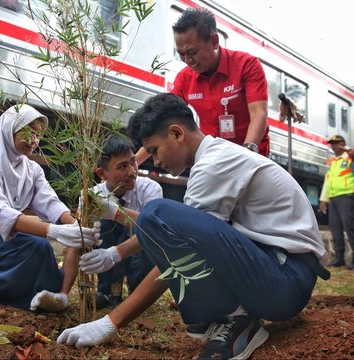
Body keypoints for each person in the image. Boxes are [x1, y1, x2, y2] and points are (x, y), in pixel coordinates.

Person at [57, 93, 329, 359]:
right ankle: (227, 313)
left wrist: (109, 323)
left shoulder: (213, 165)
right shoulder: (216, 156)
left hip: (285, 280)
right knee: (159, 218)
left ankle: (237, 320)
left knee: (156, 212)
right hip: (283, 274)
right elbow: (180, 238)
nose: (156, 161)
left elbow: (174, 247)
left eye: (154, 151)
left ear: (176, 133)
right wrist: (115, 254)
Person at [0, 104, 100, 311]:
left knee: (43, 247)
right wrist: (54, 231)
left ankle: (57, 296)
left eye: (38, 135)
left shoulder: (31, 169)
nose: (34, 141)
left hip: (12, 230)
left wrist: (76, 226)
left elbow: (49, 201)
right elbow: (0, 212)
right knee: (38, 245)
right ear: (9, 130)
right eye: (28, 133)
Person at [136, 7, 269, 165]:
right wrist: (134, 162)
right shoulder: (184, 79)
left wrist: (248, 152)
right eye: (181, 54)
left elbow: (259, 114)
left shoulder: (247, 65)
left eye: (192, 52)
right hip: (214, 157)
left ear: (214, 41)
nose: (187, 60)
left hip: (252, 155)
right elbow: (163, 119)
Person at [80, 135, 162, 309]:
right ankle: (106, 292)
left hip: (137, 250)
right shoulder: (91, 196)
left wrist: (116, 212)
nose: (132, 172)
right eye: (122, 166)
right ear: (102, 173)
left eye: (133, 162)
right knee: (100, 225)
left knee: (144, 229)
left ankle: (139, 291)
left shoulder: (150, 189)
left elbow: (154, 229)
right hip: (106, 251)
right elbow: (80, 237)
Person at [319, 135, 354, 269]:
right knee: (335, 227)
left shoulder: (350, 158)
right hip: (333, 198)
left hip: (347, 196)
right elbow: (327, 181)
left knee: (350, 226)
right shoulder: (332, 162)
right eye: (331, 144)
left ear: (343, 144)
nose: (333, 146)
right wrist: (323, 199)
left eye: (336, 143)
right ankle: (339, 257)